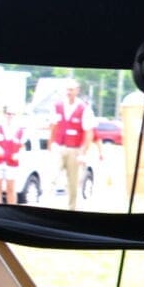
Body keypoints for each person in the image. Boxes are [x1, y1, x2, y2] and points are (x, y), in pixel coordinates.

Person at [48, 80, 92, 210]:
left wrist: (83, 153)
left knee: (73, 182)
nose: (68, 92)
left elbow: (88, 132)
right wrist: (50, 143)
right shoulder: (57, 106)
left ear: (77, 90)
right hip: (59, 146)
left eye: (71, 90)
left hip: (75, 149)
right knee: (52, 177)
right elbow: (53, 125)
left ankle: (71, 209)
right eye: (67, 89)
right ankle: (46, 208)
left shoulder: (83, 108)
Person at [0, 106, 25, 204]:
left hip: (12, 162)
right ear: (4, 114)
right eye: (8, 114)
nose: (10, 116)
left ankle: (12, 209)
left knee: (11, 188)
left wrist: (18, 154)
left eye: (13, 114)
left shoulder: (19, 130)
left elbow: (22, 146)